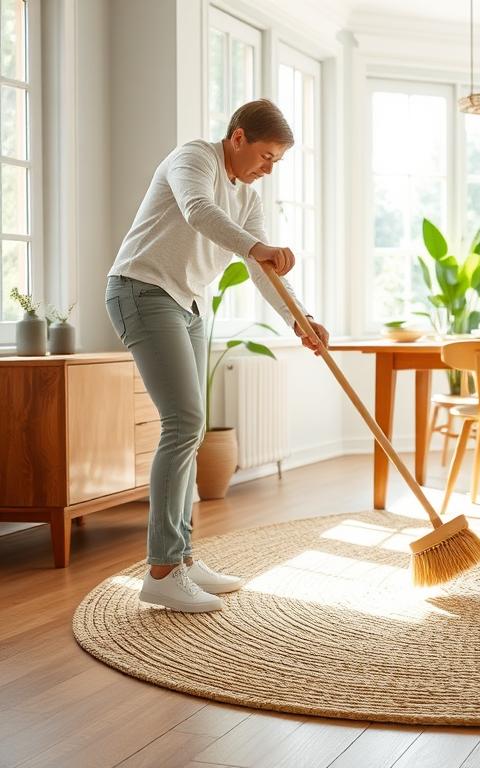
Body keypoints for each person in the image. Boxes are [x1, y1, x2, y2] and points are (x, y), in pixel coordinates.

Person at [104, 99, 329, 613]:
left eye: (278, 160)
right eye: (267, 155)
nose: (270, 168)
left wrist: (300, 319)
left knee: (191, 427)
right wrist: (256, 248)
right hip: (142, 289)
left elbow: (261, 267)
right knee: (183, 421)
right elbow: (197, 212)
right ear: (238, 137)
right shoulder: (195, 158)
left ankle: (181, 557)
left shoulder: (247, 196)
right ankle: (161, 570)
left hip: (187, 302)